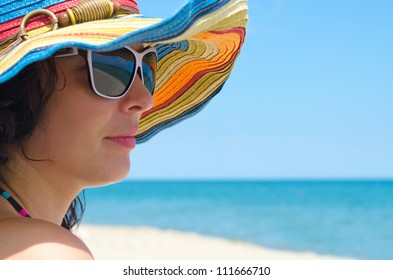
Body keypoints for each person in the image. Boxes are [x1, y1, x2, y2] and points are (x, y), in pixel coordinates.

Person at [0, 0, 247, 259]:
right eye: (111, 67)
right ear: (18, 87)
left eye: (147, 68)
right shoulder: (46, 254)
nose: (144, 99)